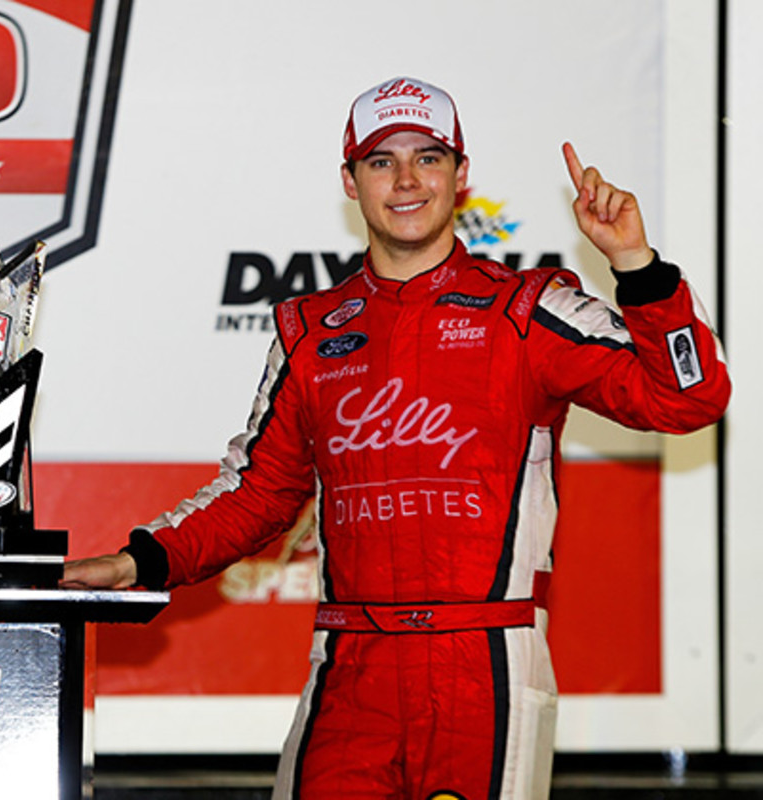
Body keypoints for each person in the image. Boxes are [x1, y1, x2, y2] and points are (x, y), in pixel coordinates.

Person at [61, 76, 731, 800]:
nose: (407, 179)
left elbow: (687, 398)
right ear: (350, 181)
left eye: (429, 157)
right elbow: (257, 493)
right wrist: (137, 562)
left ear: (461, 174)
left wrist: (636, 265)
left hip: (486, 665)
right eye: (382, 162)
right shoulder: (311, 332)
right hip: (351, 666)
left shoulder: (530, 311)